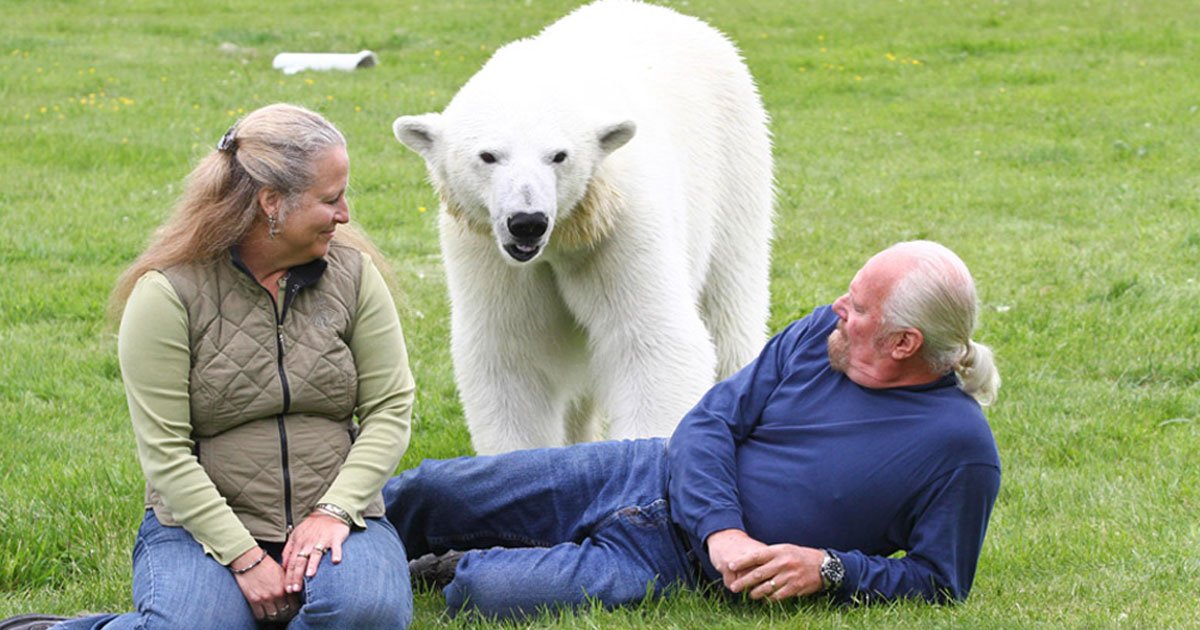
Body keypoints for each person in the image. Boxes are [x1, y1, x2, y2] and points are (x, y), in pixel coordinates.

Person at [383, 240, 1002, 620]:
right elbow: (710, 421)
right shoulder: (822, 334)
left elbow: (939, 583)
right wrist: (724, 529)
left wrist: (832, 570)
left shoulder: (960, 451)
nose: (840, 306)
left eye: (859, 307)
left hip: (671, 564)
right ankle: (307, 545)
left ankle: (456, 563)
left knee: (487, 594)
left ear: (903, 343)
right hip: (644, 469)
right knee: (431, 491)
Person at [50, 104, 414, 629]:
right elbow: (166, 454)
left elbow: (390, 407)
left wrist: (334, 511)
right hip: (200, 526)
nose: (346, 215)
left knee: (366, 613)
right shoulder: (167, 294)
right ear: (272, 203)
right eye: (331, 199)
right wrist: (243, 557)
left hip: (337, 515)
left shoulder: (353, 276)